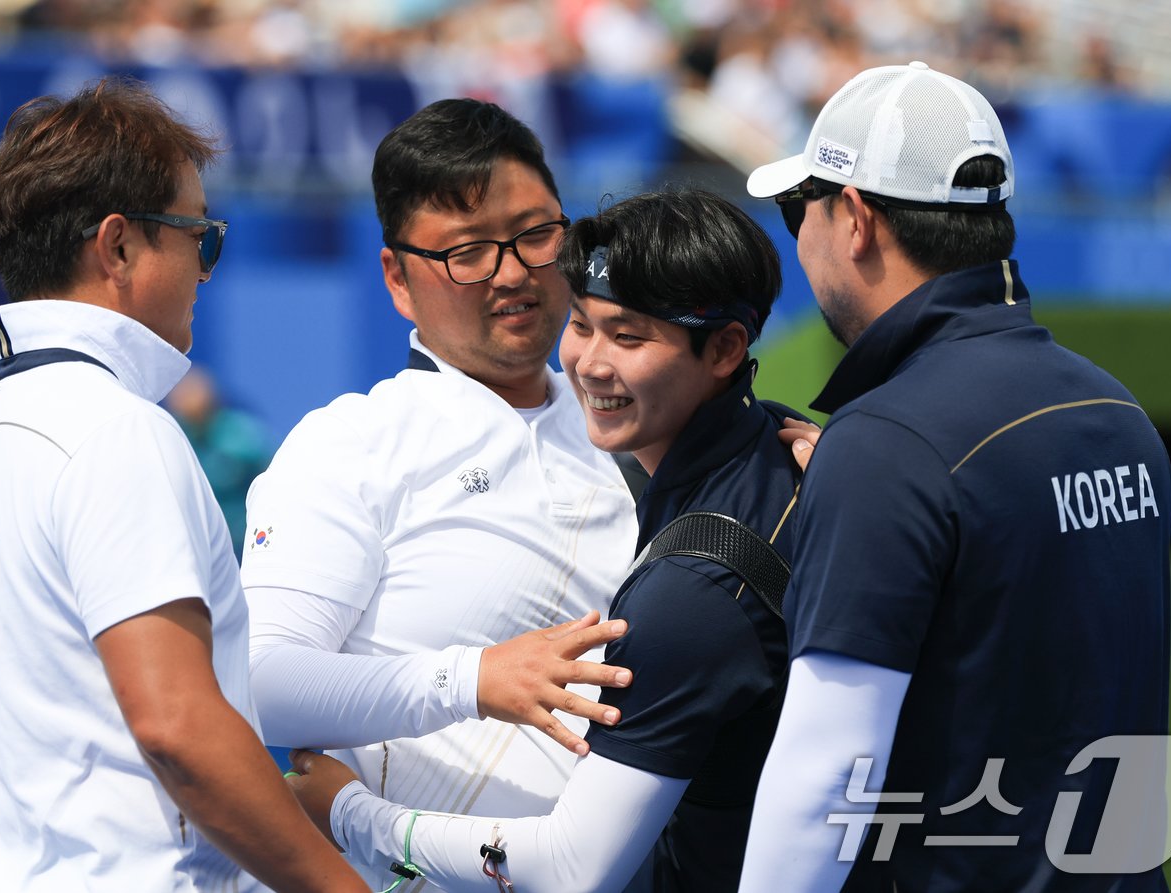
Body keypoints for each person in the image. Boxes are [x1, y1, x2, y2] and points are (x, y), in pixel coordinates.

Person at [0, 78, 367, 893]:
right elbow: (177, 726)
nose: (205, 268)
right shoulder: (113, 427)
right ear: (118, 246)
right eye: (201, 235)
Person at [286, 188, 805, 893]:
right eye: (583, 325)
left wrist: (350, 813)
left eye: (628, 337)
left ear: (725, 349)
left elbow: (569, 868)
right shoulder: (792, 451)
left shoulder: (696, 585)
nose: (589, 363)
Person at [739, 61, 1171, 891]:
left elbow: (825, 773)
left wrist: (873, 474)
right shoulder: (1119, 414)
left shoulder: (888, 448)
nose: (798, 236)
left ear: (857, 219)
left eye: (800, 208)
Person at [238, 98, 640, 887]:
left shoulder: (640, 438)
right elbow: (258, 683)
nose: (515, 272)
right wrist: (473, 679)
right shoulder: (353, 441)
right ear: (396, 276)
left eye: (536, 234)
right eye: (466, 252)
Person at [166, 364, 272, 547]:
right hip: (200, 541)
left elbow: (273, 475)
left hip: (246, 540)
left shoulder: (240, 434)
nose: (188, 403)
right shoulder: (174, 437)